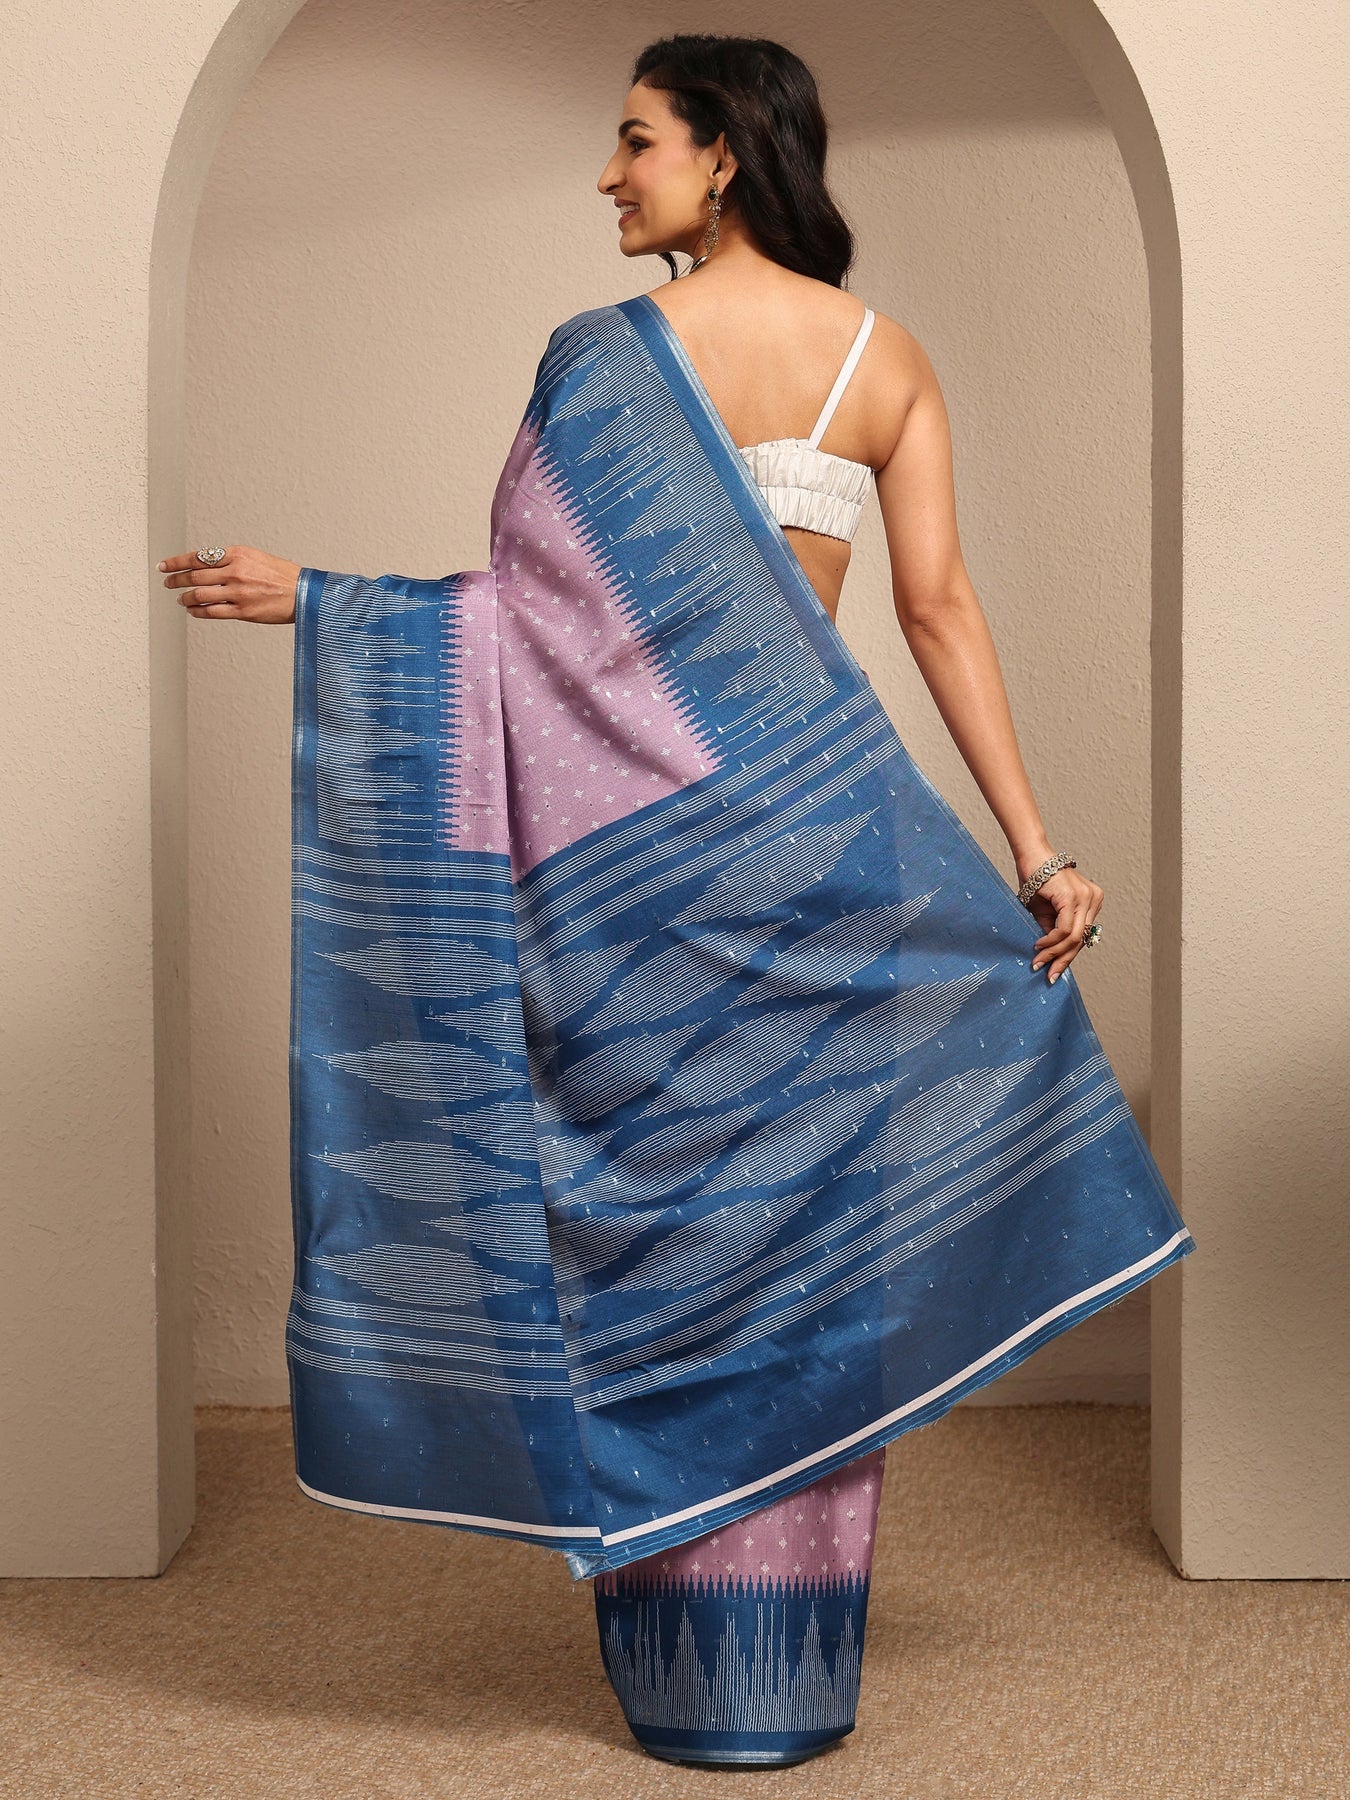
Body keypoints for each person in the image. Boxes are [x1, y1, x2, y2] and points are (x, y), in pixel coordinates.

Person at [156, 33, 1191, 1771]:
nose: (607, 175)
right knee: (804, 1250)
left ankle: (689, 1673)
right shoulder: (882, 357)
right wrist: (1029, 850)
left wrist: (327, 601)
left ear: (721, 153)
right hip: (830, 854)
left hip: (641, 881)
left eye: (633, 141)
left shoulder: (601, 359)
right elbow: (937, 610)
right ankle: (786, 1677)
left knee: (652, 1245)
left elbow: (523, 628)